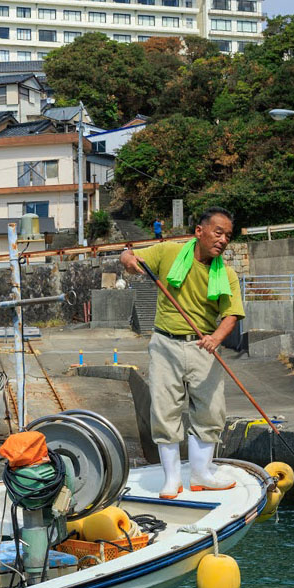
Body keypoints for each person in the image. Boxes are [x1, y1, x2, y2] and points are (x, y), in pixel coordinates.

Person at [120, 207, 244, 498]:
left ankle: (201, 474)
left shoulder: (226, 274)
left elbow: (232, 314)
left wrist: (216, 337)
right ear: (199, 232)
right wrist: (129, 260)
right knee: (164, 410)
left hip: (204, 346)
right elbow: (128, 256)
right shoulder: (168, 252)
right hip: (165, 343)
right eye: (218, 232)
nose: (223, 240)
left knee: (211, 410)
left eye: (228, 235)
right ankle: (172, 479)